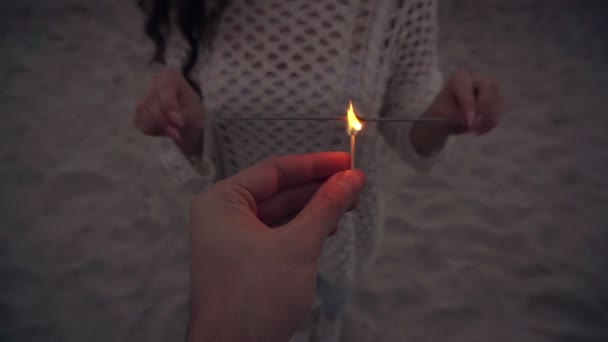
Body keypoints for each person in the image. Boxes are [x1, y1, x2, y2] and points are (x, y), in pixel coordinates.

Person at [134, 1, 502, 340]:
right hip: (240, 235)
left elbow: (407, 125)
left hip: (346, 230)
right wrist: (186, 125)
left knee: (332, 303)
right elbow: (196, 128)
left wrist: (442, 118)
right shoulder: (189, 6)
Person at [187, 152, 365, 342]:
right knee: (298, 303)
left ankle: (331, 320)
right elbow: (207, 152)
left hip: (342, 248)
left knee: (336, 291)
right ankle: (299, 327)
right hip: (267, 228)